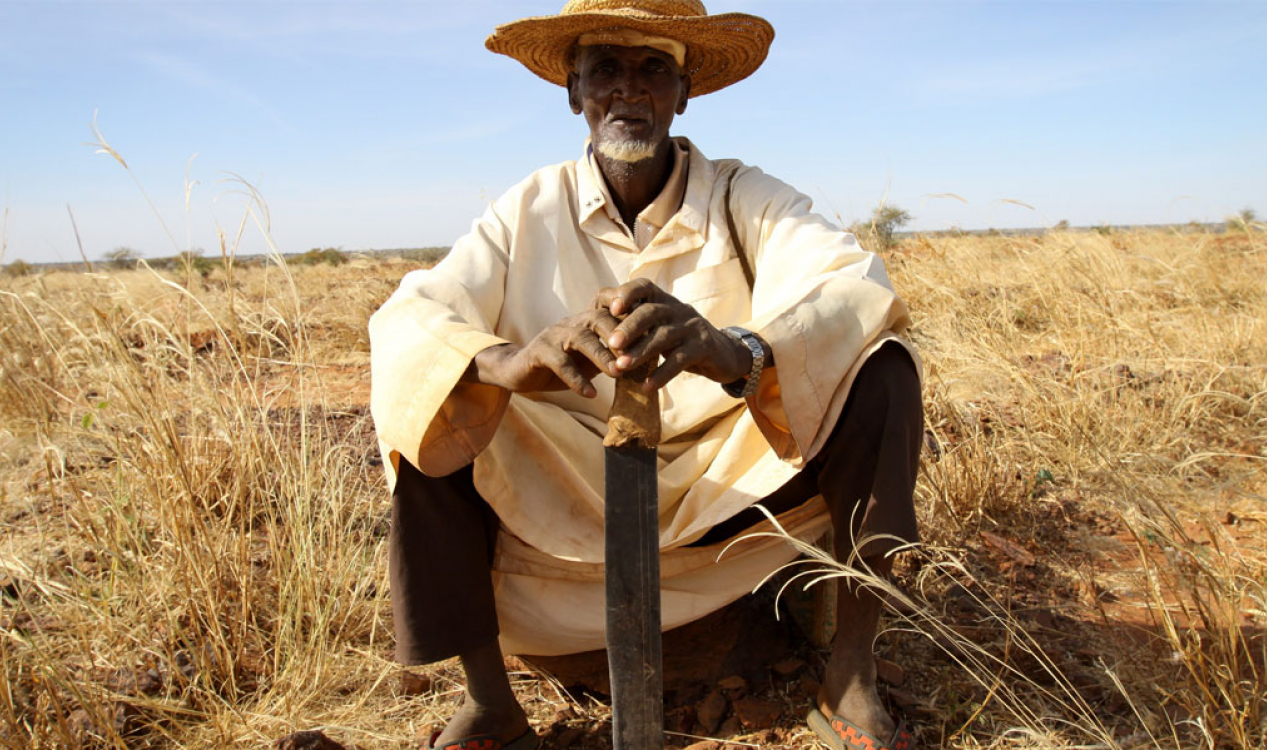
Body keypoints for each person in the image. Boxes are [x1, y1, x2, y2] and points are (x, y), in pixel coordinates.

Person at [368, 2, 924, 749]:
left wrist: (736, 351)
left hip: (726, 478)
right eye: (606, 69)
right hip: (564, 480)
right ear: (574, 92)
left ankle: (849, 676)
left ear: (684, 91)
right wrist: (513, 360)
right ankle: (491, 703)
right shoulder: (526, 209)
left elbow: (851, 285)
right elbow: (416, 316)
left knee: (880, 365)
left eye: (653, 69)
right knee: (433, 392)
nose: (629, 89)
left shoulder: (742, 197)